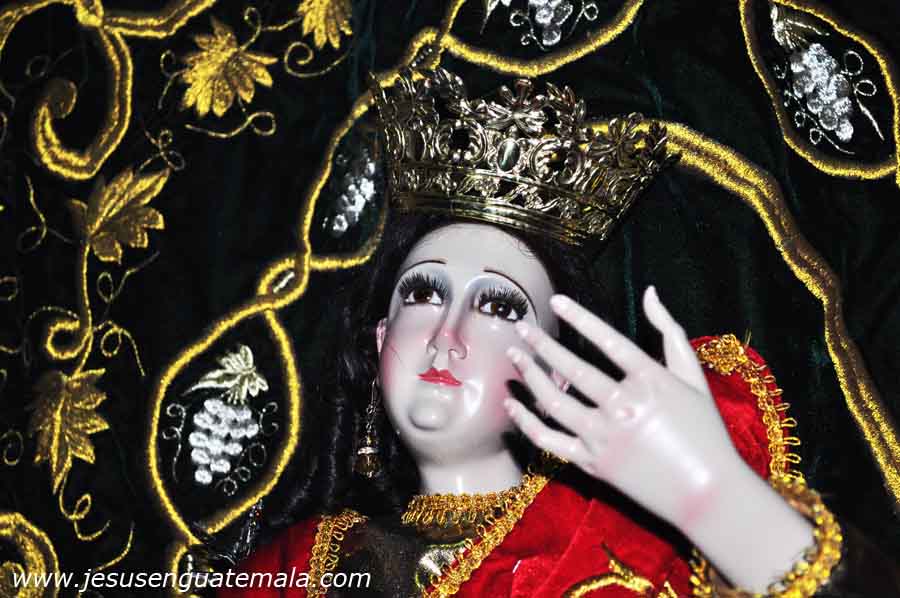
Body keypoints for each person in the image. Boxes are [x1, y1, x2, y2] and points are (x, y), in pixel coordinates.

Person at [217, 67, 898, 597]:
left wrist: (718, 502)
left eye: (498, 307)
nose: (447, 335)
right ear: (379, 339)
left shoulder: (625, 539)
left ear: (554, 366)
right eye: (423, 294)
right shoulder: (289, 571)